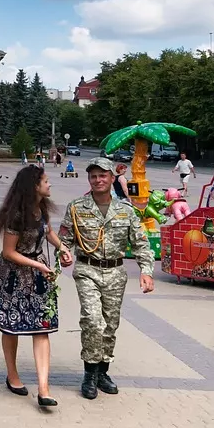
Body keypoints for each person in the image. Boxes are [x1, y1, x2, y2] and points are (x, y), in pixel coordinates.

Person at [0, 166, 70, 408]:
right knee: (11, 327)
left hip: (38, 275)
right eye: (45, 181)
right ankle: (12, 375)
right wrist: (37, 265)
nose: (50, 185)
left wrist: (62, 248)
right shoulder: (17, 214)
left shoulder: (41, 209)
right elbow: (8, 252)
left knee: (42, 327)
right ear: (33, 186)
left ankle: (44, 389)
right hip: (13, 276)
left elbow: (48, 232)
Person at [58, 157, 155, 400]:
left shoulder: (126, 211)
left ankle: (103, 371)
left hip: (115, 272)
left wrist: (146, 271)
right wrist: (64, 253)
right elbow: (64, 240)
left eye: (103, 175)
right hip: (87, 271)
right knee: (92, 320)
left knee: (110, 324)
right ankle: (89, 373)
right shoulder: (76, 207)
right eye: (93, 176)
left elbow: (141, 244)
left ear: (112, 178)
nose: (98, 180)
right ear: (89, 179)